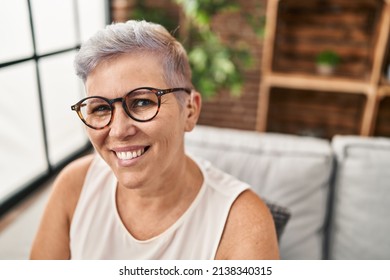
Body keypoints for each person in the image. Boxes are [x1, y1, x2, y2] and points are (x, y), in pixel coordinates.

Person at [30, 20, 279, 260]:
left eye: (142, 102)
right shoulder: (75, 186)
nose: (117, 131)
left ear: (190, 110)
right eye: (100, 108)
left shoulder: (242, 223)